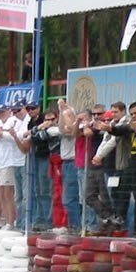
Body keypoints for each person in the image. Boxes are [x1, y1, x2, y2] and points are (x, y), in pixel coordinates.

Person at [57, 99, 81, 230]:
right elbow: (61, 128)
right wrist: (62, 111)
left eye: (69, 115)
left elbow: (71, 129)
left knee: (70, 198)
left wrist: (65, 111)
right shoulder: (64, 125)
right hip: (66, 163)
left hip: (73, 162)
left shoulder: (76, 127)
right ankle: (74, 225)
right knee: (67, 198)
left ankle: (75, 226)